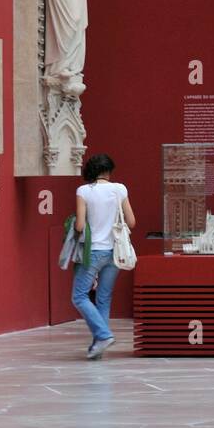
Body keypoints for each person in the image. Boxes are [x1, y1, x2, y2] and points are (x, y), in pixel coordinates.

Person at [73, 153, 136, 359]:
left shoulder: (84, 191)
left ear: (91, 170)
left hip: (93, 251)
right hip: (114, 252)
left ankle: (103, 335)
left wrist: (73, 226)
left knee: (79, 296)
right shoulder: (120, 189)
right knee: (104, 298)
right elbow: (131, 221)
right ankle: (98, 347)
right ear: (109, 171)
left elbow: (81, 225)